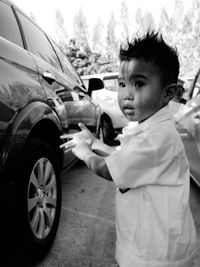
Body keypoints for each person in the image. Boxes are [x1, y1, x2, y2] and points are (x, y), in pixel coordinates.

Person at [60, 31, 197, 267]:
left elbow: (109, 169)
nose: (126, 94)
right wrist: (94, 142)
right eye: (122, 84)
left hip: (156, 256)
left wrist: (84, 153)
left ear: (168, 93)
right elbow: (124, 158)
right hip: (151, 244)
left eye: (139, 83)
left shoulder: (157, 138)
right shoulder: (149, 129)